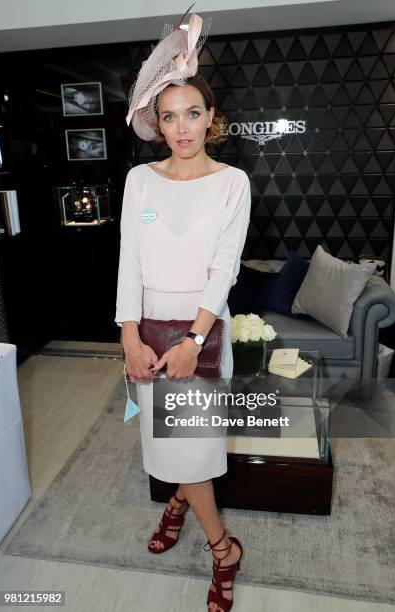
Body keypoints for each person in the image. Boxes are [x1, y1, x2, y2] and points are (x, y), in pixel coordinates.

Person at [115, 9, 251, 612]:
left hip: (198, 336)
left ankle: (224, 550)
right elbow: (129, 264)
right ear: (157, 124)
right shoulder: (139, 181)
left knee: (190, 450)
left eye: (192, 113)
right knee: (171, 448)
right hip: (147, 335)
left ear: (210, 118)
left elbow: (223, 270)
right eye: (169, 117)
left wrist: (194, 339)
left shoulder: (232, 183)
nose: (182, 127)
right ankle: (178, 503)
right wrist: (128, 337)